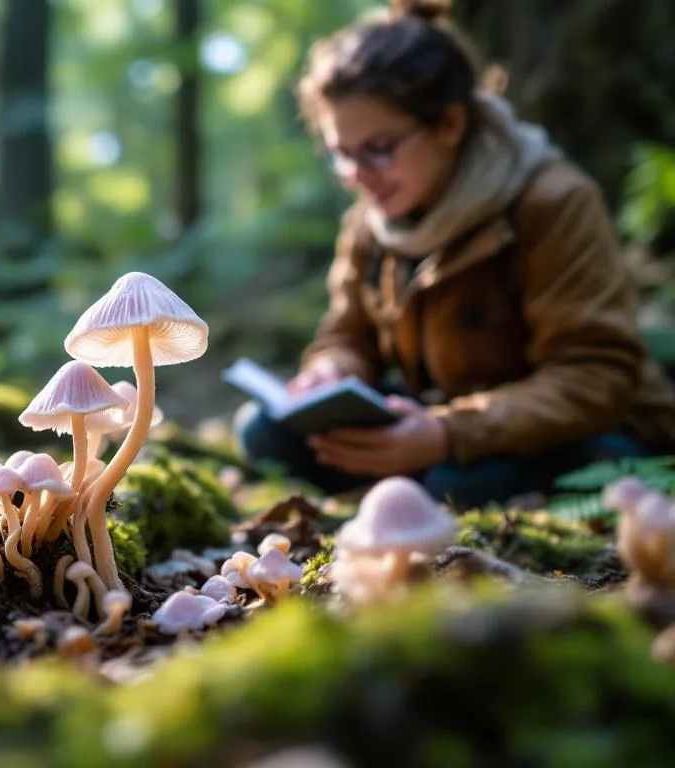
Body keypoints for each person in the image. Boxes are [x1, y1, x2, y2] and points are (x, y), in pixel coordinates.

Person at [232, 0, 675, 510]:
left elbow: (595, 376)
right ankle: (406, 493)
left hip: (585, 433)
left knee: (457, 482)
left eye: (378, 147)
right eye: (341, 153)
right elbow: (346, 334)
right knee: (265, 432)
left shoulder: (552, 202)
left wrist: (446, 433)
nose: (357, 175)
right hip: (451, 427)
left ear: (450, 124)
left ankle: (409, 493)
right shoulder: (370, 222)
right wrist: (332, 372)